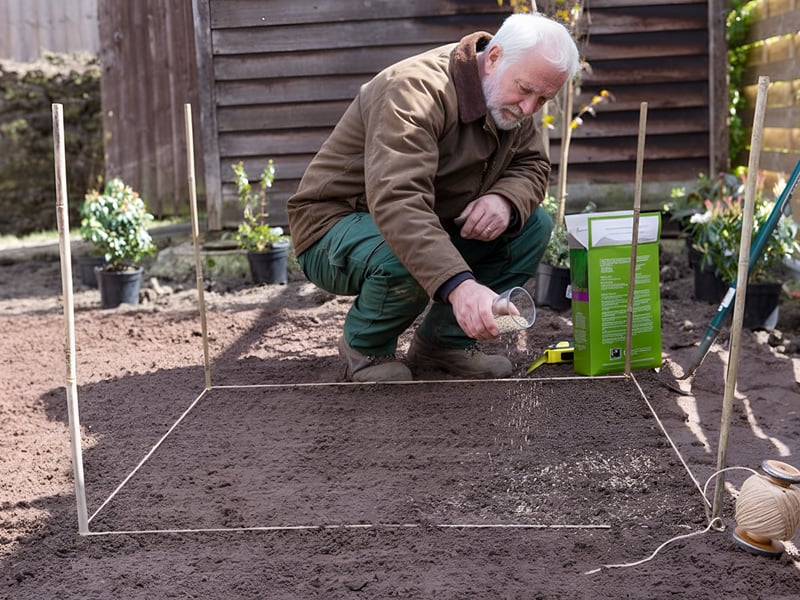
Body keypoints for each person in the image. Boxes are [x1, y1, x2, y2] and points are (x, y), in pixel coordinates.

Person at [287, 12, 580, 382]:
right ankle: (366, 348)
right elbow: (399, 202)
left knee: (532, 225)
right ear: (493, 58)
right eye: (525, 90)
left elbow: (533, 164)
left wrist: (505, 199)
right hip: (336, 227)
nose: (528, 108)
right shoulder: (413, 90)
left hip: (425, 220)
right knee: (404, 253)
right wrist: (460, 287)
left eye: (543, 99)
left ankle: (446, 345)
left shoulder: (514, 97)